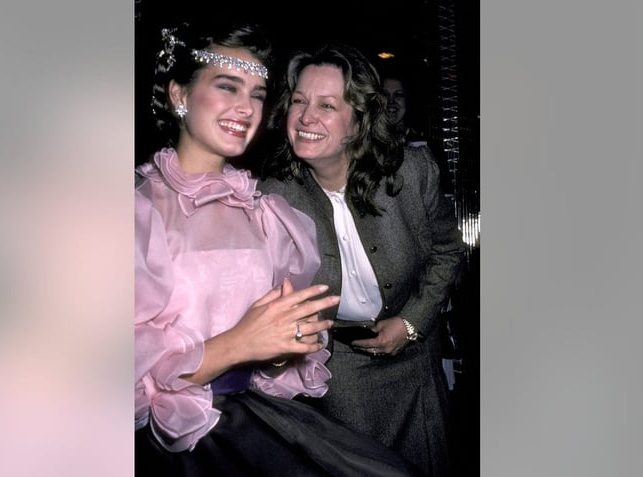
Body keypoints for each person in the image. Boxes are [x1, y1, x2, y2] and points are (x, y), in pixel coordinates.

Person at [134, 21, 423, 476]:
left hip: (252, 419)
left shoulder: (267, 213)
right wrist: (238, 344)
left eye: (257, 93)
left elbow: (275, 364)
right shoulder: (134, 209)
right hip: (173, 442)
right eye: (227, 86)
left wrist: (285, 348)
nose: (246, 108)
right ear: (179, 94)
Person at [257, 43, 467, 476]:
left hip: (415, 363)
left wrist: (412, 323)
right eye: (299, 101)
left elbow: (449, 251)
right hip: (337, 371)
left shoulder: (411, 173)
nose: (306, 117)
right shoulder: (273, 197)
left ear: (359, 121)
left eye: (327, 105)